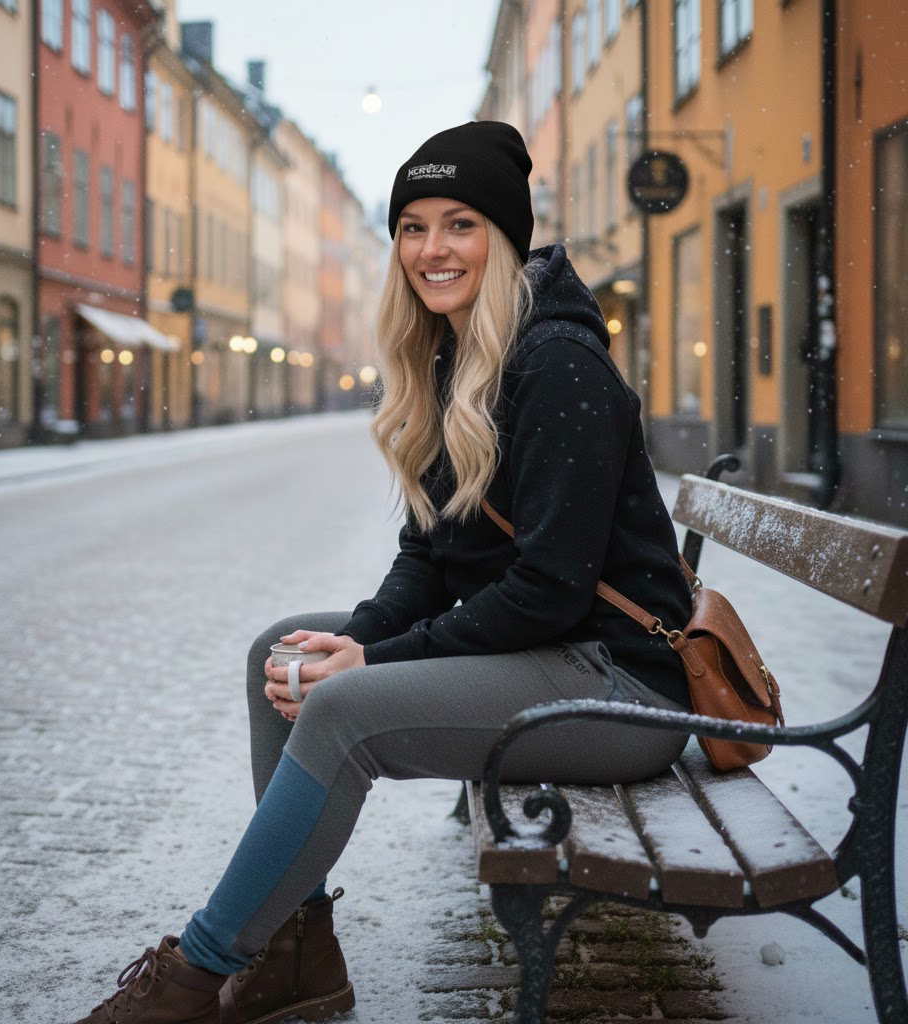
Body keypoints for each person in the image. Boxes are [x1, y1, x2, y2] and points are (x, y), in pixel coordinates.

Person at [71, 121, 693, 1024]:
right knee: (279, 657)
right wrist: (358, 636)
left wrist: (379, 663)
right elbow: (429, 557)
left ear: (505, 237)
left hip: (621, 688)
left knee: (345, 708)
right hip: (557, 656)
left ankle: (194, 977)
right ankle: (296, 955)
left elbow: (551, 589)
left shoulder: (558, 364)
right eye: (412, 226)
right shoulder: (450, 360)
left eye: (460, 223)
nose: (432, 249)